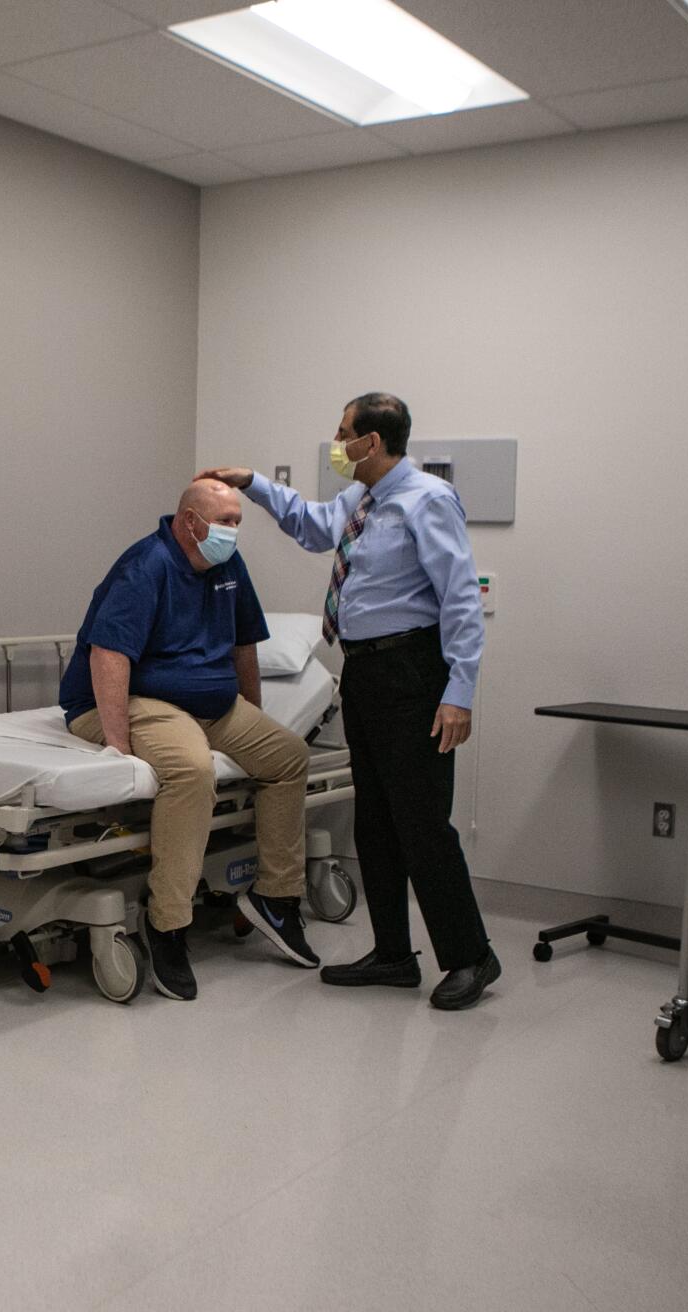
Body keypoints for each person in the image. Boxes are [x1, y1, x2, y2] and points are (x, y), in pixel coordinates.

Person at [201, 392, 501, 1010]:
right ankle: (393, 952)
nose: (336, 444)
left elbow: (461, 601)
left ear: (372, 441)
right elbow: (311, 525)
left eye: (343, 434)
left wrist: (459, 693)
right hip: (364, 672)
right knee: (376, 823)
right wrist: (252, 484)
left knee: (422, 825)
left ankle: (471, 956)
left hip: (414, 673)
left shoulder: (427, 501)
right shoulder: (361, 500)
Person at [60, 479, 315, 1002]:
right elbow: (108, 656)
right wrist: (119, 747)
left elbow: (245, 645)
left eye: (237, 521)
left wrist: (252, 720)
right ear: (190, 522)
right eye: (224, 521)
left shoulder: (227, 567)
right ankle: (169, 925)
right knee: (192, 771)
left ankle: (275, 897)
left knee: (288, 757)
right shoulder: (146, 565)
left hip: (210, 707)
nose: (232, 531)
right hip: (132, 701)